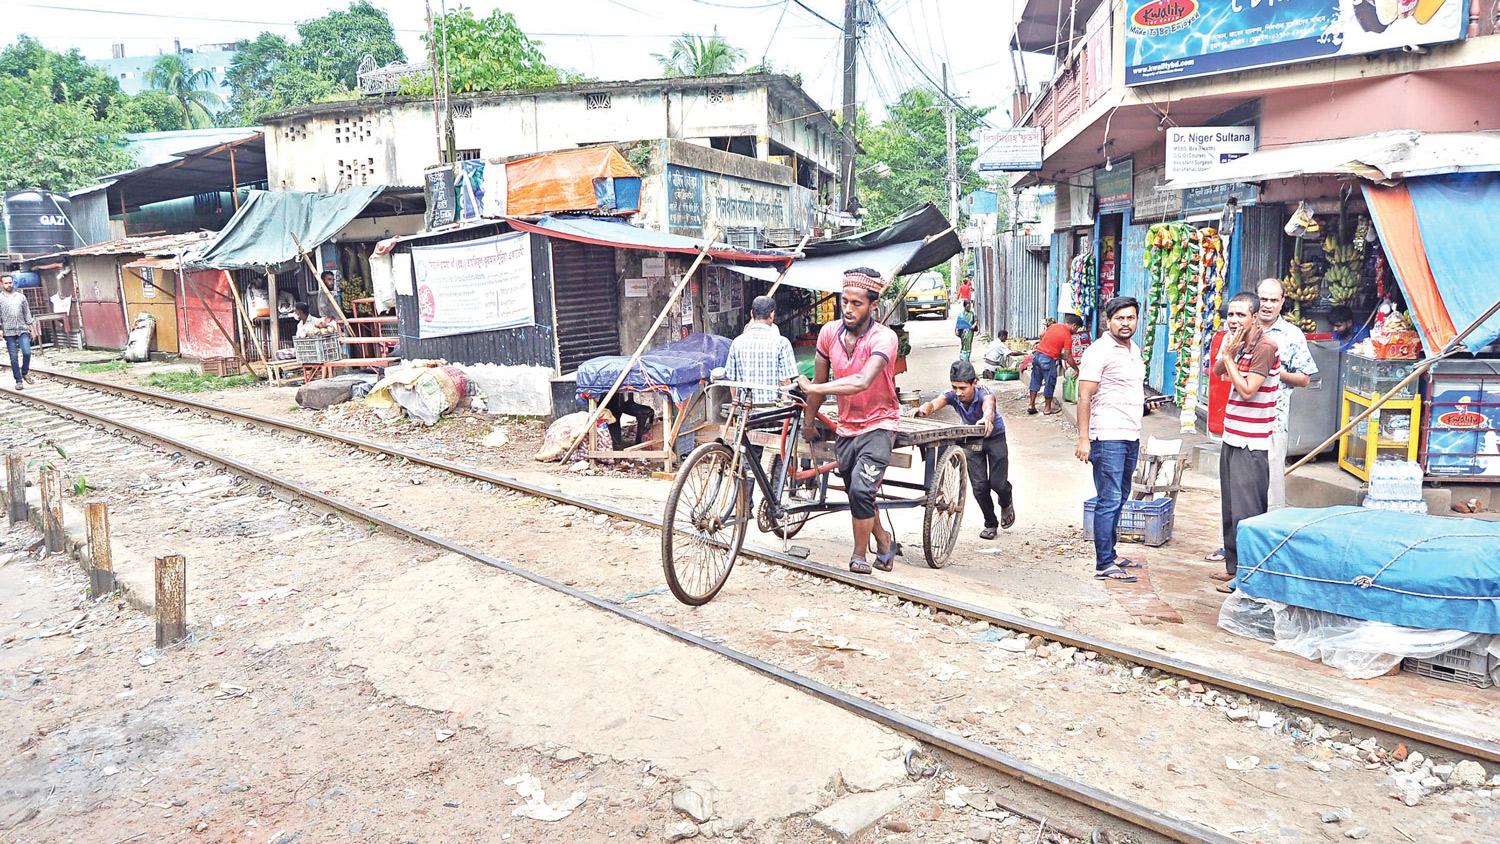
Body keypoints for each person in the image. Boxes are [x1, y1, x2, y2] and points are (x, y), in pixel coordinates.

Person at [799, 268, 902, 576]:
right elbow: (818, 378)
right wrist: (809, 421)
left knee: (860, 489)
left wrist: (816, 389)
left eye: (856, 303)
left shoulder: (885, 338)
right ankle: (883, 540)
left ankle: (859, 556)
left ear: (873, 306)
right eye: (845, 302)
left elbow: (862, 380)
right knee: (860, 491)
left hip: (880, 424)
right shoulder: (828, 334)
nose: (847, 309)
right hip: (846, 425)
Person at [1211, 293, 1280, 594]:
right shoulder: (1237, 343)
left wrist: (1228, 359)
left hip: (1252, 443)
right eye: (1231, 315)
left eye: (1241, 315)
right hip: (1232, 435)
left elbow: (1249, 389)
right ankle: (1234, 568)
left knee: (1247, 513)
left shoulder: (1265, 347)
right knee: (1230, 510)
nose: (1235, 321)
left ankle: (1249, 578)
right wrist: (1227, 352)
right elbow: (1216, 372)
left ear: (1254, 317)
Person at [1074, 296, 1145, 583]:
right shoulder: (1098, 351)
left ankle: (1111, 553)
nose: (1125, 323)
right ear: (1108, 320)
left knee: (1120, 497)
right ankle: (1103, 563)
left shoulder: (1134, 349)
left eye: (1130, 318)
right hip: (1107, 436)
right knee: (1109, 498)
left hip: (1130, 434)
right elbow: (1084, 395)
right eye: (1120, 318)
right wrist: (1083, 438)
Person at [915, 360, 1014, 540]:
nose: (958, 393)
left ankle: (1006, 501)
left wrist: (986, 420)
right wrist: (923, 410)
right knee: (979, 487)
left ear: (974, 383)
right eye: (955, 387)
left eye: (963, 388)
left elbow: (989, 408)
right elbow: (935, 403)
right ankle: (990, 523)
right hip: (971, 439)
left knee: (998, 484)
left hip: (994, 437)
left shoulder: (985, 394)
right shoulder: (952, 395)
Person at [1256, 278, 1317, 509]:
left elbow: (1304, 378)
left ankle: (1270, 538)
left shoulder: (1292, 334)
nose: (1268, 305)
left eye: (1273, 300)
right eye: (1263, 299)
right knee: (1241, 487)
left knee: (1272, 489)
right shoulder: (1243, 328)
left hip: (1274, 421)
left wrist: (1274, 372)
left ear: (1282, 302)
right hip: (1241, 422)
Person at [724, 295, 798, 406]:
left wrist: (737, 407)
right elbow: (785, 381)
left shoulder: (737, 342)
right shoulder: (781, 343)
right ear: (772, 315)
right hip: (773, 410)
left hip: (745, 410)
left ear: (751, 314)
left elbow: (732, 381)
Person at [1028, 313, 1083, 415]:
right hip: (1048, 360)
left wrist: (1045, 345)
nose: (1076, 332)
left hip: (1037, 355)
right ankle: (1047, 409)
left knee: (1035, 380)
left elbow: (1041, 335)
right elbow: (1068, 356)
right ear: (1074, 325)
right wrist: (1076, 369)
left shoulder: (1053, 326)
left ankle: (1031, 405)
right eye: (1077, 329)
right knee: (1050, 382)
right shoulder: (1068, 336)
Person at [1, 273, 37, 390]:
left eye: (10, 282)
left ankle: (25, 372)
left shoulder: (21, 297)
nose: (8, 285)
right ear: (1, 284)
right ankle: (18, 380)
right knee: (13, 357)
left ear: (13, 283)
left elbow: (27, 313)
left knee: (27, 352)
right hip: (8, 331)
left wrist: (32, 329)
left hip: (22, 329)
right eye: (6, 283)